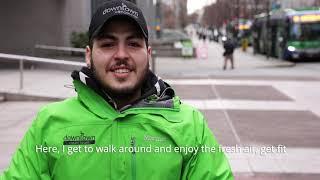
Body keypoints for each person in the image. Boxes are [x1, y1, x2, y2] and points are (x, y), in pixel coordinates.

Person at [0, 0, 233, 179]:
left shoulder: (190, 126)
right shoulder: (49, 123)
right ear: (89, 55)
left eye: (133, 43)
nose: (121, 55)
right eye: (108, 44)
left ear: (148, 54)